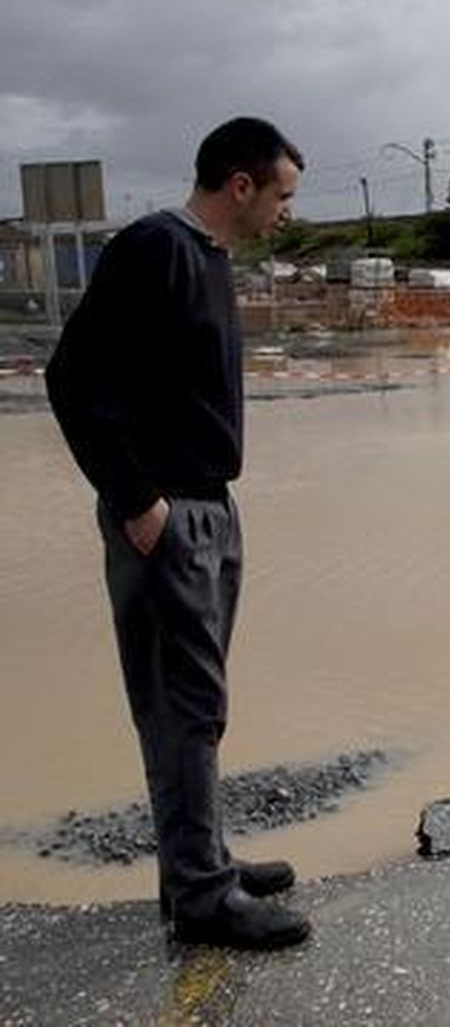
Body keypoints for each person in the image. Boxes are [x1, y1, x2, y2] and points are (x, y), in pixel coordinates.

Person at [45, 118, 311, 950]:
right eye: (283, 195)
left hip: (208, 508)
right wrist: (137, 503)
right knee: (186, 704)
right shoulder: (156, 248)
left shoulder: (209, 258)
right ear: (241, 185)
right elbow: (72, 378)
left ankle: (199, 865)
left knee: (191, 702)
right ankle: (202, 897)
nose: (286, 214)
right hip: (165, 513)